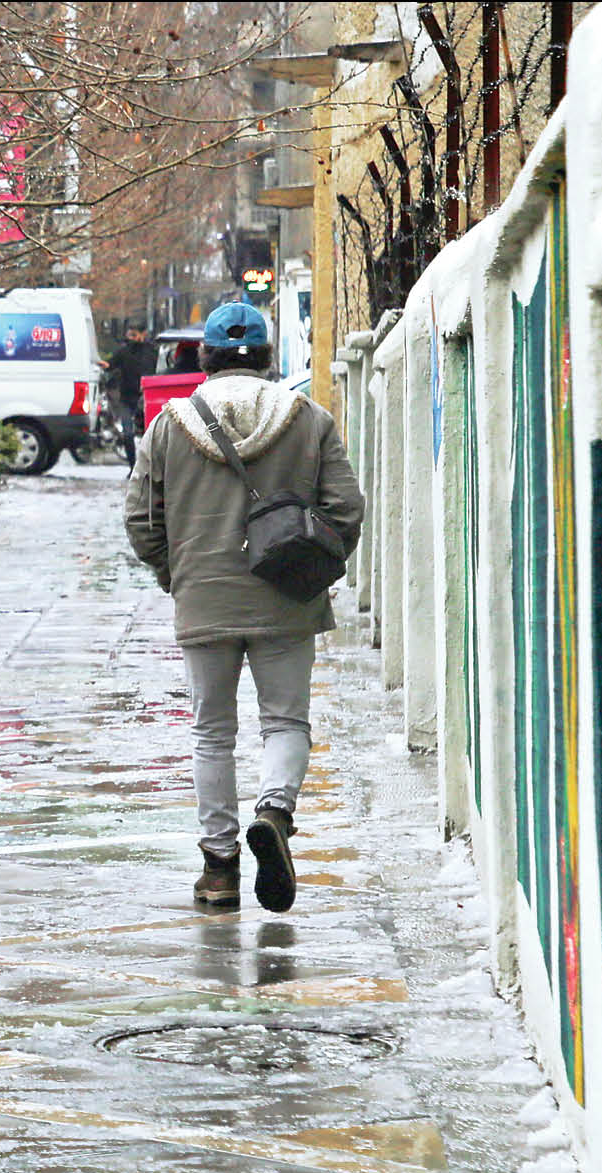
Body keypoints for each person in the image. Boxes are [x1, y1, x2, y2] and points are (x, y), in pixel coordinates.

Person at [125, 301, 365, 914]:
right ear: (266, 357)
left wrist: (175, 572)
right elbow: (346, 509)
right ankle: (275, 813)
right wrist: (311, 567)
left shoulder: (169, 425)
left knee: (212, 732)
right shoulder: (309, 419)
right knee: (285, 721)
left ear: (203, 356)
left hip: (204, 598)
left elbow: (140, 520)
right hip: (288, 598)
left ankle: (219, 870)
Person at [104, 322, 157, 468]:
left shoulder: (152, 351)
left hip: (146, 398)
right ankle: (133, 466)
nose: (131, 338)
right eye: (129, 335)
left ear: (143, 334)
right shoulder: (124, 351)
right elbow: (109, 365)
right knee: (128, 434)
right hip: (128, 398)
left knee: (149, 434)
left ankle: (147, 466)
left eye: (134, 335)